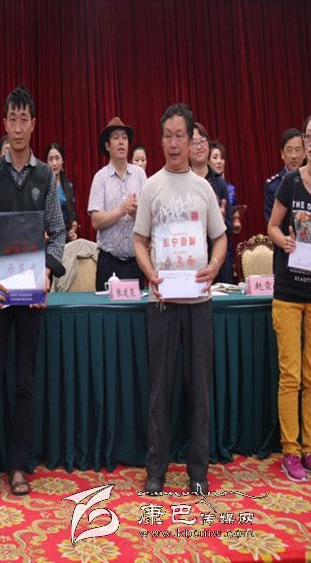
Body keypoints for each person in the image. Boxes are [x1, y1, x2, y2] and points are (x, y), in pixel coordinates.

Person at [0, 84, 65, 497]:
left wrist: (47, 273)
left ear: (34, 124)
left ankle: (19, 465)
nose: (19, 127)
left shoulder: (45, 175)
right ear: (4, 123)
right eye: (13, 119)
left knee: (24, 382)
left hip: (31, 295)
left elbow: (58, 232)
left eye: (25, 119)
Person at [134, 103, 226, 497]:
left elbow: (219, 237)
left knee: (199, 389)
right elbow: (139, 240)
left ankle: (198, 471)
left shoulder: (203, 188)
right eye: (167, 136)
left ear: (191, 141)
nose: (173, 143)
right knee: (160, 389)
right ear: (161, 141)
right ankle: (156, 469)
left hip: (199, 303)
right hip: (163, 303)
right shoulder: (151, 186)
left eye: (180, 136)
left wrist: (215, 265)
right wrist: (150, 272)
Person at [266, 113, 311, 482]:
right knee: (291, 375)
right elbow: (271, 227)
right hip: (288, 291)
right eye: (310, 136)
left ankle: (309, 447)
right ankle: (291, 450)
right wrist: (283, 240)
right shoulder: (291, 183)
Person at [87, 116, 146, 290]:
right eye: (116, 138)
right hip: (109, 264)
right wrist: (121, 210)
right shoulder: (100, 178)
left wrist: (136, 212)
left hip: (136, 262)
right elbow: (96, 221)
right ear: (107, 145)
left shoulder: (139, 175)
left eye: (124, 138)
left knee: (137, 307)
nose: (121, 142)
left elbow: (149, 217)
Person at [190, 123, 233, 283]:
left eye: (202, 141)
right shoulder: (183, 181)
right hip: (191, 262)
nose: (199, 146)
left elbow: (229, 231)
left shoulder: (219, 183)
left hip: (218, 264)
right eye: (194, 142)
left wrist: (221, 221)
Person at [264, 129, 304, 224]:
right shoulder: (272, 186)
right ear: (282, 154)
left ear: (304, 153)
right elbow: (272, 224)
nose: (293, 156)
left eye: (297, 150)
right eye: (289, 150)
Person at [45, 141, 78, 241]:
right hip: (47, 239)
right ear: (46, 162)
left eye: (57, 158)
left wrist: (72, 231)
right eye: (51, 159)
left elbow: (74, 220)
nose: (54, 163)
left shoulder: (69, 186)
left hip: (65, 239)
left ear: (62, 160)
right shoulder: (42, 187)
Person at [209, 140, 242, 235]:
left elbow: (234, 212)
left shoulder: (230, 188)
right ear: (207, 161)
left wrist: (236, 220)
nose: (219, 161)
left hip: (227, 234)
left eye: (222, 158)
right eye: (215, 157)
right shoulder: (205, 185)